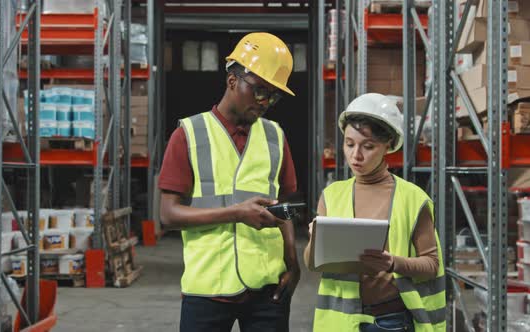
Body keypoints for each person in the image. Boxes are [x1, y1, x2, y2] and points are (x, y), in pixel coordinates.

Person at [158, 32, 300, 332]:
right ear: (232, 81)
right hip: (208, 288)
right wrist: (236, 213)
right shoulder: (189, 135)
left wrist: (292, 261)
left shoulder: (275, 136)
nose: (265, 102)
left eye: (273, 96)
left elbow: (283, 206)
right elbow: (168, 215)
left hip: (268, 287)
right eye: (260, 91)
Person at [304, 93, 446, 332]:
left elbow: (431, 264)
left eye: (368, 146)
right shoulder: (331, 195)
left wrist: (393, 263)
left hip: (391, 321)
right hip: (341, 322)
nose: (356, 155)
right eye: (349, 144)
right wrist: (315, 242)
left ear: (388, 144)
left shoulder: (413, 198)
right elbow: (312, 264)